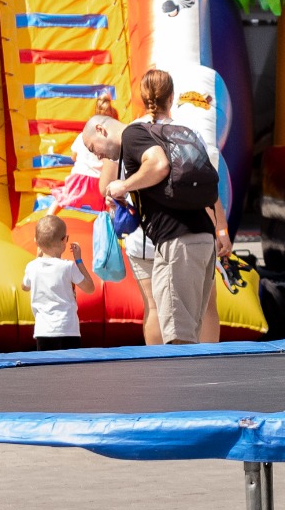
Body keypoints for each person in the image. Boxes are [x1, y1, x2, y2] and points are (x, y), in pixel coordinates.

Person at [88, 69, 231, 344]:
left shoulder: (131, 134)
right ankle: (208, 368)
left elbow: (107, 185)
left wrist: (123, 188)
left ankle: (166, 369)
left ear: (141, 98)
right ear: (172, 97)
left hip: (150, 234)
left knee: (158, 309)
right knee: (204, 308)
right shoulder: (189, 133)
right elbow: (208, 183)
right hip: (198, 228)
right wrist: (221, 228)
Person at [22, 213, 95, 350]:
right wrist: (79, 261)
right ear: (64, 241)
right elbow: (90, 288)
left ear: (36, 242)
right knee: (70, 369)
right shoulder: (68, 267)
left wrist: (37, 258)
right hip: (68, 329)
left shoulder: (32, 267)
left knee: (46, 370)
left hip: (43, 331)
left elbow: (24, 286)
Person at [49, 93, 119, 214]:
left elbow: (73, 157)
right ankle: (111, 227)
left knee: (60, 199)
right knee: (108, 204)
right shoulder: (112, 142)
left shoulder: (83, 136)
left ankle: (47, 219)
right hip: (99, 184)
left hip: (79, 180)